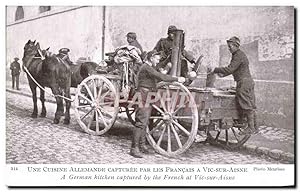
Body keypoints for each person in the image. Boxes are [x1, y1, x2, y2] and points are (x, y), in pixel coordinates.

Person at [130, 51, 186, 158]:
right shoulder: (146, 67)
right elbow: (161, 77)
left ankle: (142, 146)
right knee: (140, 122)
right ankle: (134, 148)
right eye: (157, 58)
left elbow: (159, 74)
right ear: (151, 58)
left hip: (148, 94)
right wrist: (177, 79)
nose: (158, 60)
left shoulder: (149, 67)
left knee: (145, 121)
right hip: (143, 95)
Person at [209, 36, 258, 135]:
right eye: (228, 46)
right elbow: (232, 70)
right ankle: (254, 127)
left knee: (246, 103)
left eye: (230, 46)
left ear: (236, 46)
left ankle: (251, 128)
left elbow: (230, 69)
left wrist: (215, 69)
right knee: (248, 103)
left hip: (244, 83)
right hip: (245, 82)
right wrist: (222, 74)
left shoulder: (238, 55)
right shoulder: (237, 55)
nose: (229, 48)